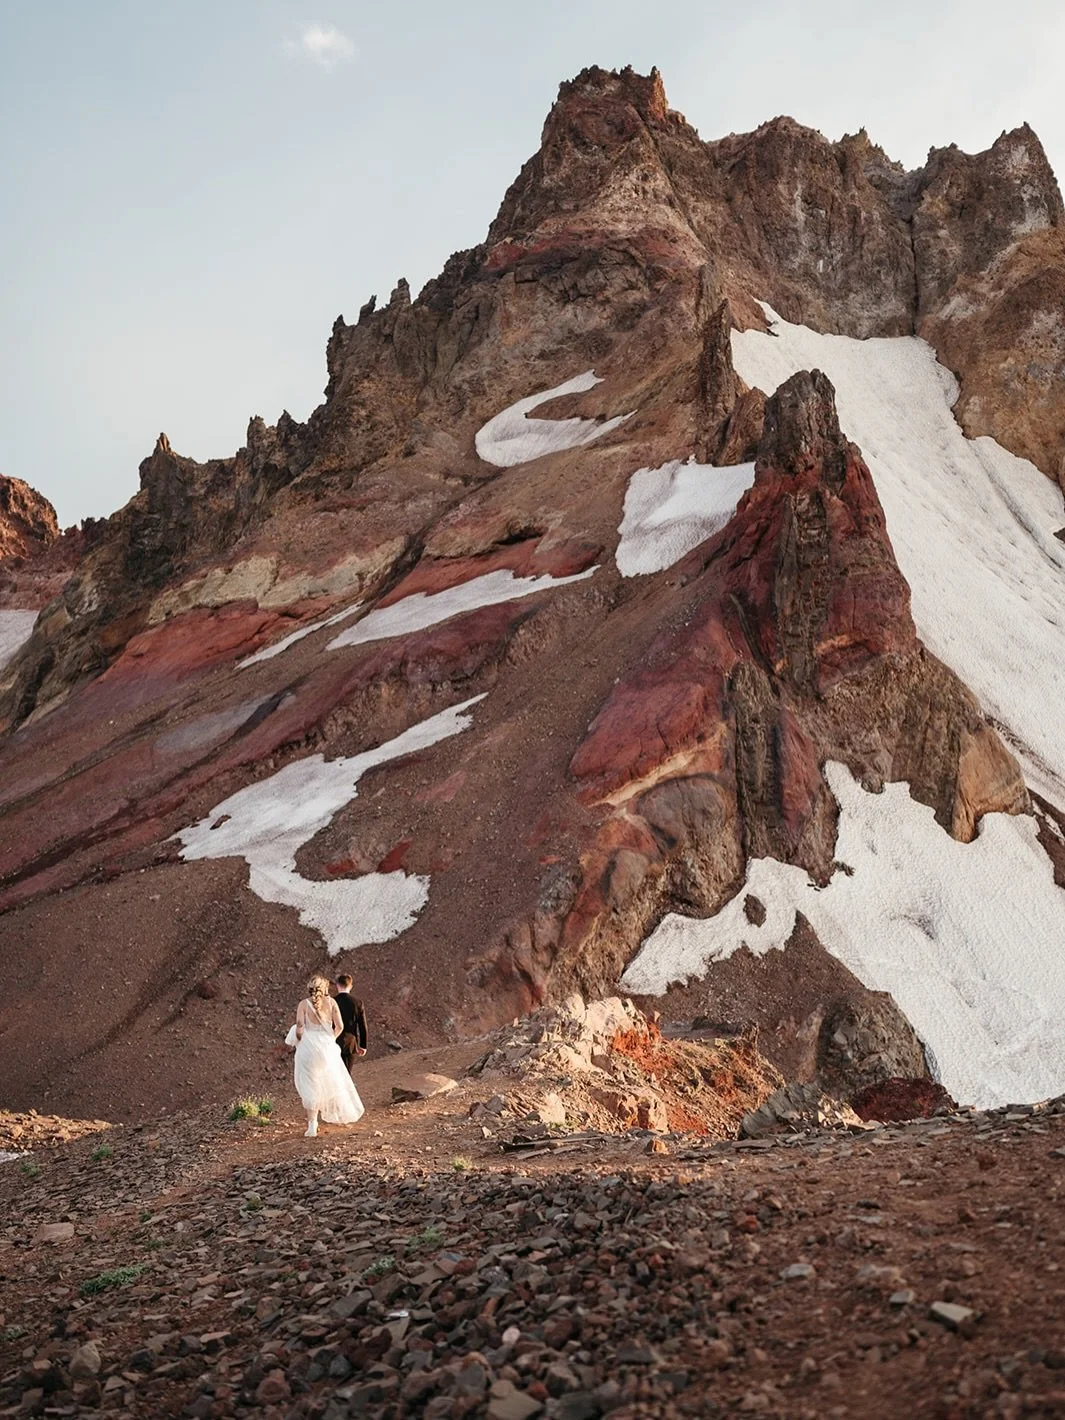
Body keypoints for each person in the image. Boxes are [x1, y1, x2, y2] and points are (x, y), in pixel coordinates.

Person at [292, 975, 365, 1137]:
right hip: (326, 1046)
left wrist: (298, 1039)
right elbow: (340, 1026)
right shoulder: (331, 1003)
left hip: (308, 1047)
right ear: (324, 988)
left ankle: (312, 1124)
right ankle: (336, 1113)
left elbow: (299, 1027)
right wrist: (329, 1038)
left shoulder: (303, 1004)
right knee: (328, 1080)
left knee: (310, 1083)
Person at [334, 974, 368, 1074]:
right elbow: (362, 1026)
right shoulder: (358, 1003)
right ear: (351, 986)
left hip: (333, 1042)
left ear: (337, 985)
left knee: (333, 1075)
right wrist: (363, 1045)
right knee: (346, 1076)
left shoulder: (332, 1002)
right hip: (350, 1044)